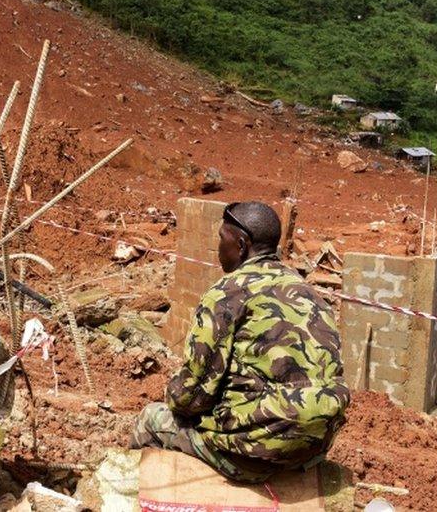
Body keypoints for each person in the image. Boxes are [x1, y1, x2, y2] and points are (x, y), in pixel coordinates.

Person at [131, 201, 350, 482]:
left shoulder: (226, 294)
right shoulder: (309, 293)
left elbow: (193, 395)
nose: (219, 248)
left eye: (222, 239)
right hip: (316, 444)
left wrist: (173, 397)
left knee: (151, 420)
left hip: (258, 448)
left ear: (242, 245)